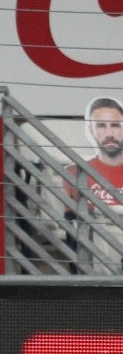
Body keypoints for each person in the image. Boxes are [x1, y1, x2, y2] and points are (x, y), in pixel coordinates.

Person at [62, 96, 123, 273]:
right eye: (101, 126)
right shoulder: (74, 172)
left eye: (116, 125)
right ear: (91, 130)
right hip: (97, 254)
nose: (109, 133)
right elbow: (68, 223)